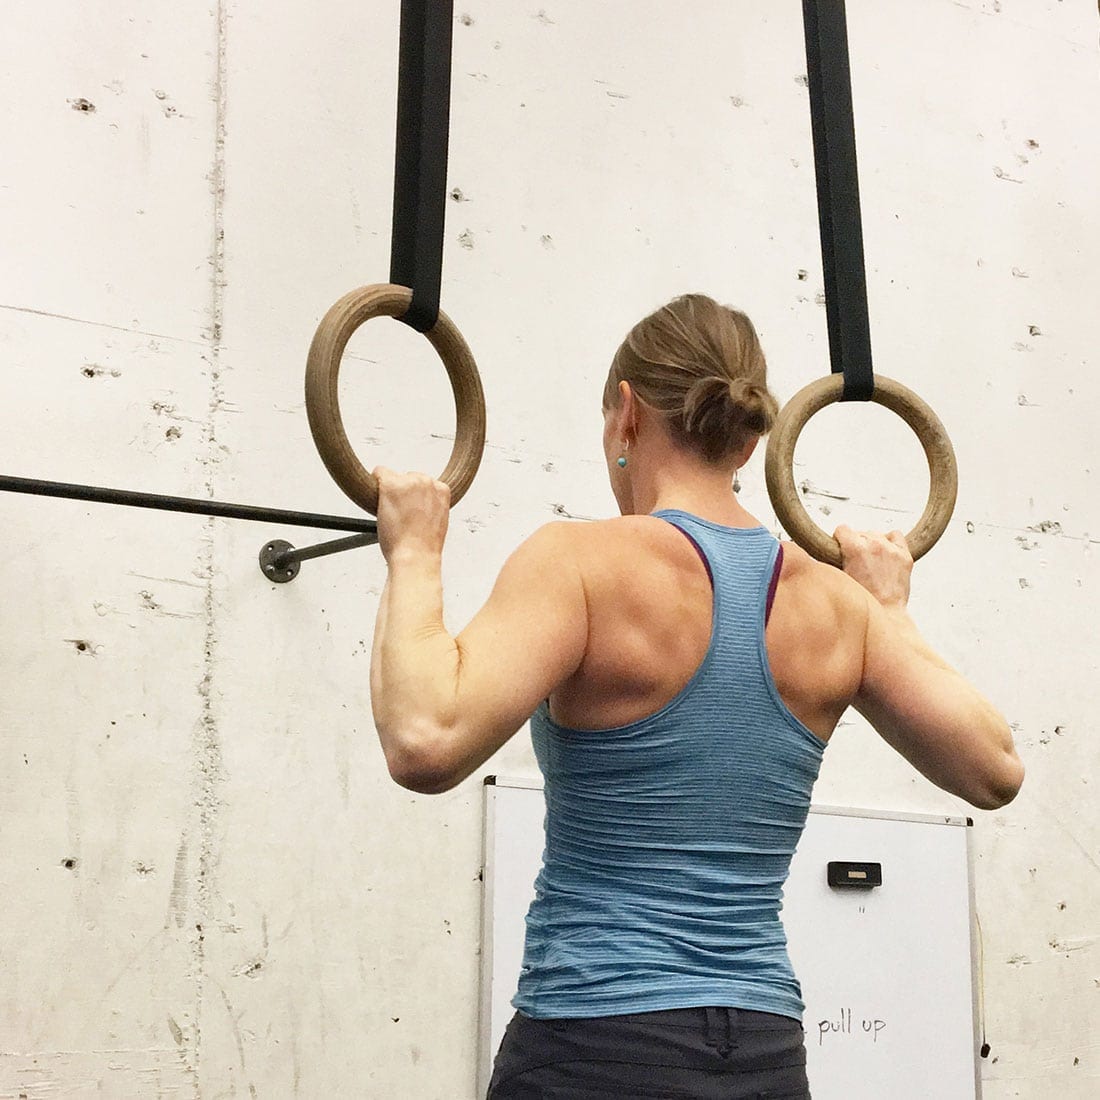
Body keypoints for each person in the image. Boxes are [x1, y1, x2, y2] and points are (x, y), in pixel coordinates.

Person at [369, 293, 1024, 1099]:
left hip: (596, 1042)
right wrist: (887, 609)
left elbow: (424, 740)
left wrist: (413, 553)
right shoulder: (836, 607)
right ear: (752, 439)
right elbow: (996, 769)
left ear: (626, 414)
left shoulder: (578, 563)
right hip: (763, 1055)